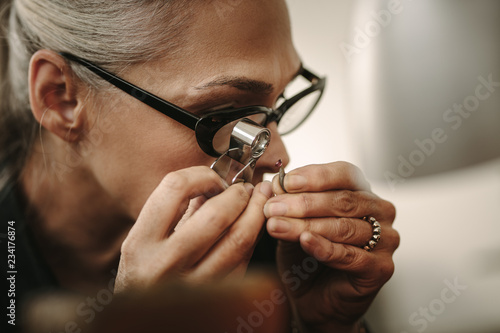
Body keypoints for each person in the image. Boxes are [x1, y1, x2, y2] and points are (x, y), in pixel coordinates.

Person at [0, 0, 399, 332]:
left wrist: (318, 326)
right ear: (60, 99)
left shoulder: (285, 260)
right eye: (226, 112)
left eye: (281, 101)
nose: (280, 157)